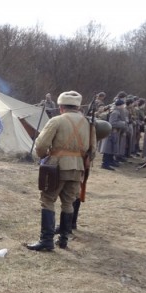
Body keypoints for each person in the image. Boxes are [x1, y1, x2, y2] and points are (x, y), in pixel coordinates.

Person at [26, 91, 95, 251]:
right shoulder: (88, 123)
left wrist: (44, 156)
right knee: (68, 202)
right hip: (78, 168)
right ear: (78, 107)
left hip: (56, 166)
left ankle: (46, 240)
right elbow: (93, 150)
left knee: (48, 200)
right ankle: (63, 239)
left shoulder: (56, 120)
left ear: (61, 106)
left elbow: (41, 144)